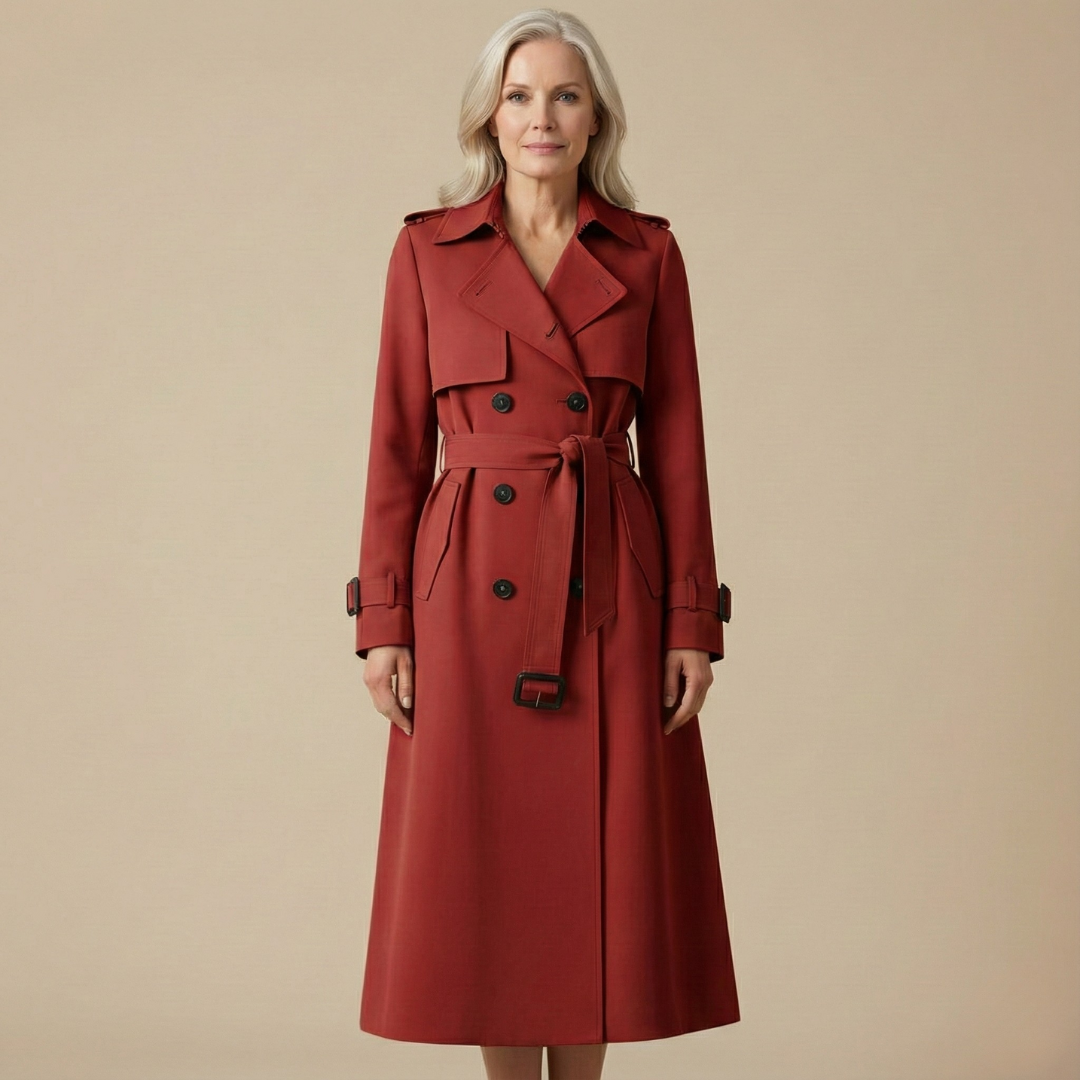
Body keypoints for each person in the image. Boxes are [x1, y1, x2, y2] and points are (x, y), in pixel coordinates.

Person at [346, 10, 739, 1080]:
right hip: (468, 584)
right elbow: (394, 448)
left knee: (597, 861)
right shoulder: (427, 251)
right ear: (489, 114)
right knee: (490, 866)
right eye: (519, 95)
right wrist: (383, 622)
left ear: (596, 114)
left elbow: (680, 450)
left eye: (565, 95)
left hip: (610, 579)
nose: (541, 117)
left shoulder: (647, 254)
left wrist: (691, 622)